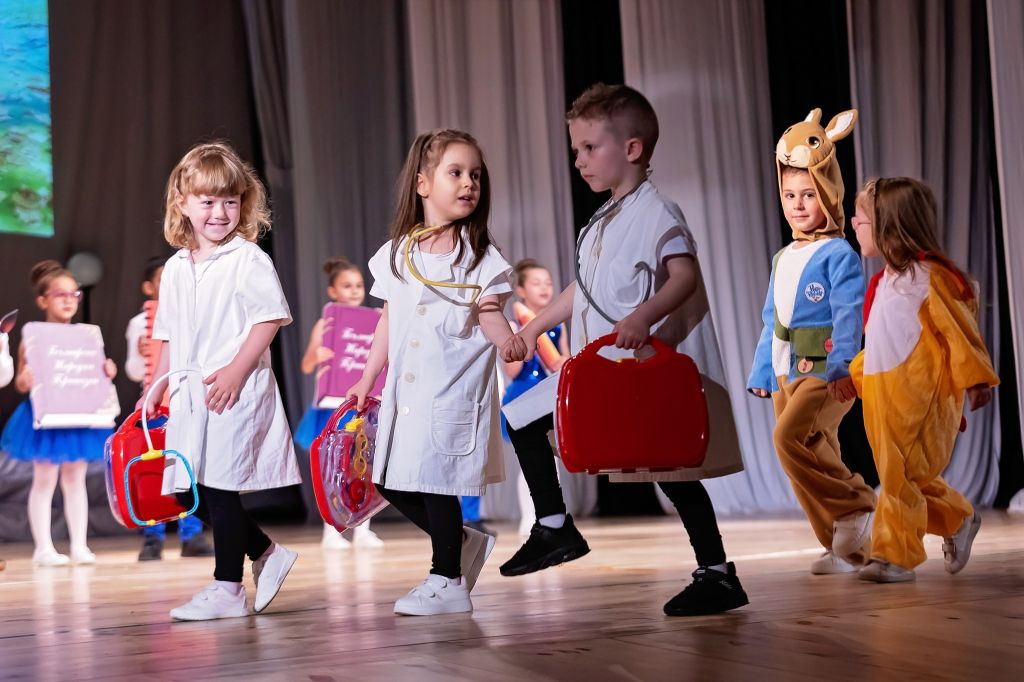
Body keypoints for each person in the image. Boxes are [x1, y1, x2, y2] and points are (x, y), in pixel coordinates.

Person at [502, 84, 748, 616]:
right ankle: (556, 527)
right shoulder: (605, 220)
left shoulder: (657, 212)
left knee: (673, 474)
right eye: (576, 150)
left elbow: (684, 276)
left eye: (590, 148)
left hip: (636, 370)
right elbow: (581, 290)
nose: (579, 160)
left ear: (632, 149)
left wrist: (643, 316)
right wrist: (533, 328)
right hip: (602, 370)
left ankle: (715, 574)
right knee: (522, 419)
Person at [347, 129, 523, 616]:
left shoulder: (480, 257)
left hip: (451, 388)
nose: (469, 184)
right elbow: (388, 319)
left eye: (476, 175)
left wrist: (507, 339)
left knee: (436, 482)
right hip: (405, 393)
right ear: (423, 184)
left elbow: (489, 311)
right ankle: (461, 543)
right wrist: (367, 378)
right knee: (389, 480)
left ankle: (448, 580)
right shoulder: (396, 254)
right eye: (456, 173)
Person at [145, 142, 301, 620]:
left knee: (217, 487)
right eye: (207, 201)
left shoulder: (247, 259)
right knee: (186, 491)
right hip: (189, 395)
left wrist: (236, 370)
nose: (219, 212)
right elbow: (168, 332)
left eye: (230, 201)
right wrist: (156, 385)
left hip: (232, 391)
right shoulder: (176, 267)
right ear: (182, 203)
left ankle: (228, 588)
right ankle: (267, 552)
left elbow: (269, 319)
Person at [849, 177, 998, 583]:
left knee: (898, 478)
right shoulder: (885, 282)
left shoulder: (931, 279)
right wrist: (854, 376)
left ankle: (894, 557)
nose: (853, 224)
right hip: (884, 397)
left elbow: (960, 332)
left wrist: (975, 381)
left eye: (860, 219)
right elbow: (882, 341)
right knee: (905, 477)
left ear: (889, 227)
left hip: (919, 399)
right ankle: (959, 518)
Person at [747, 108, 876, 574]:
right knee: (815, 450)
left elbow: (848, 315)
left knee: (790, 439)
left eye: (809, 194)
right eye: (789, 195)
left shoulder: (838, 253)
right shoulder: (783, 256)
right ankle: (844, 548)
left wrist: (842, 365)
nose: (798, 205)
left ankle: (857, 504)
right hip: (785, 370)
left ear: (828, 191)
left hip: (824, 368)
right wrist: (763, 371)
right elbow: (772, 319)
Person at [0, 261, 116, 566]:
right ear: (43, 300)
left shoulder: (86, 337)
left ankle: (79, 545)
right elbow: (22, 381)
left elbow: (93, 375)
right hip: (46, 416)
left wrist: (107, 371)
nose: (68, 300)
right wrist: (25, 380)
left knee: (76, 478)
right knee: (44, 479)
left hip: (77, 415)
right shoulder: (34, 337)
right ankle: (43, 548)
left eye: (74, 294)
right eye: (60, 294)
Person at [126, 256, 213, 561]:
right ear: (149, 287)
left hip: (184, 401)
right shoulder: (140, 323)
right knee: (153, 470)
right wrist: (140, 353)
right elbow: (133, 371)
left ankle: (192, 534)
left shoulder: (191, 314)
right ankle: (153, 537)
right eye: (162, 280)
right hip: (155, 409)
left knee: (186, 468)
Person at [295, 257, 383, 549]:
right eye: (347, 286)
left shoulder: (375, 322)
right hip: (334, 407)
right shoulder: (326, 323)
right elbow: (306, 364)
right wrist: (317, 355)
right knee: (334, 467)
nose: (355, 290)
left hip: (361, 405)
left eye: (359, 285)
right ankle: (332, 530)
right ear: (333, 291)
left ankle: (363, 527)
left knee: (363, 465)